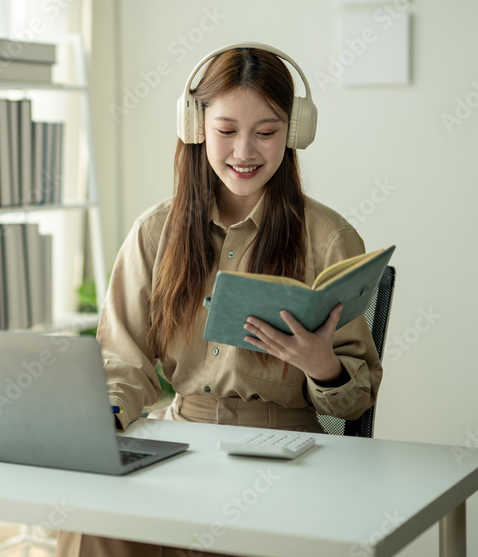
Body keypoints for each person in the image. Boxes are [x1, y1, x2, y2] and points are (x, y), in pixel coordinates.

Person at [55, 43, 382, 557]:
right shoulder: (155, 232)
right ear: (195, 125)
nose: (244, 151)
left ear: (294, 132)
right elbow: (122, 361)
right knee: (88, 519)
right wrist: (106, 421)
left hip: (285, 449)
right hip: (181, 436)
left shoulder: (329, 238)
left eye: (267, 132)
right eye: (227, 130)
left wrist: (324, 367)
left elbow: (355, 398)